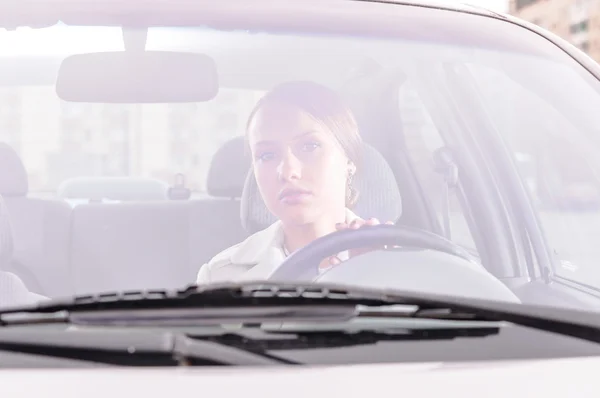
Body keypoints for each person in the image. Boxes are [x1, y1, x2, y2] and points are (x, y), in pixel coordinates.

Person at [196, 81, 391, 285]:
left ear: (349, 160)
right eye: (267, 155)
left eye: (310, 146)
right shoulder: (220, 276)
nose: (288, 172)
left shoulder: (401, 265)